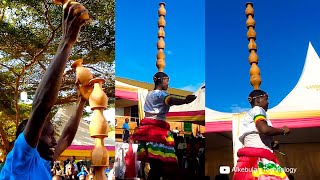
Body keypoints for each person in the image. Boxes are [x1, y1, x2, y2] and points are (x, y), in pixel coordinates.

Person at [0, 2, 90, 179]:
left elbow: (66, 137)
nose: (55, 141)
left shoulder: (42, 161)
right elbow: (42, 106)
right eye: (49, 135)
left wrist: (82, 101)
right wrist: (66, 42)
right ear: (31, 138)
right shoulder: (22, 157)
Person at [132, 72, 197, 180]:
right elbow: (171, 100)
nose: (168, 84)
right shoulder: (161, 94)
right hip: (156, 132)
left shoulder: (149, 94)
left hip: (147, 131)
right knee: (158, 166)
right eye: (167, 81)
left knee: (155, 166)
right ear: (161, 81)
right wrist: (185, 101)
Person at [233, 90, 291, 180]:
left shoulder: (248, 116)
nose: (268, 102)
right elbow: (264, 129)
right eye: (266, 99)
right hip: (259, 159)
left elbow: (254, 135)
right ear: (258, 100)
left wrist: (270, 143)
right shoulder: (258, 110)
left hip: (249, 159)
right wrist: (283, 130)